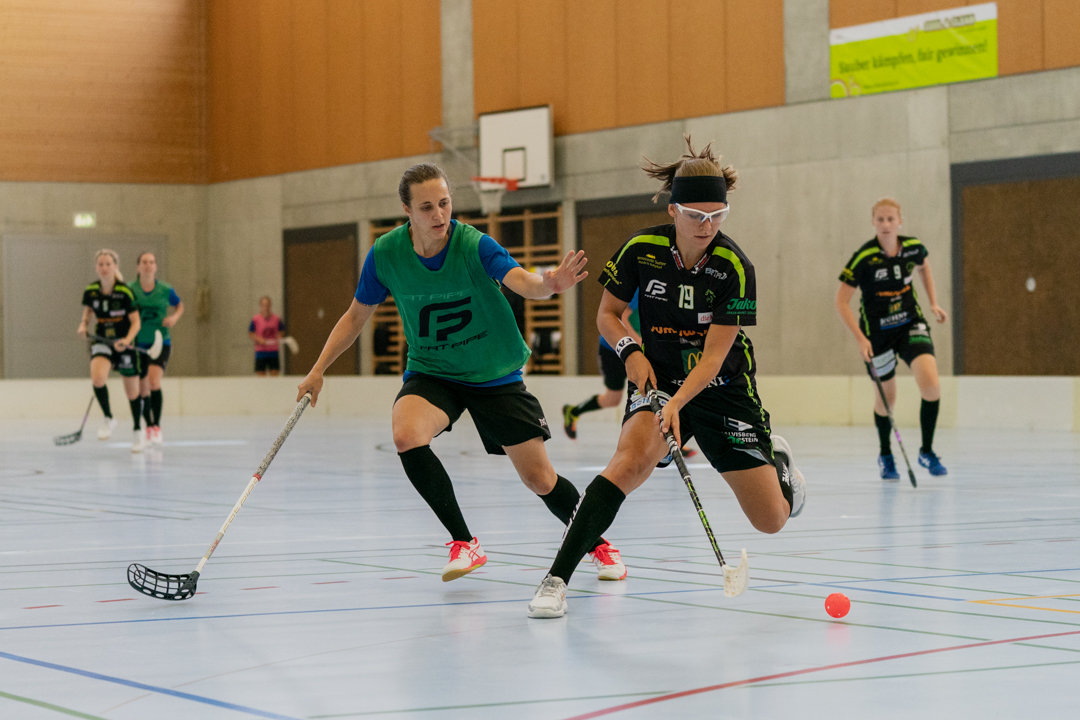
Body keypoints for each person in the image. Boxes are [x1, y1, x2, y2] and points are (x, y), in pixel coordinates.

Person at [297, 162, 627, 583]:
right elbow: (355, 316)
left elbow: (522, 281)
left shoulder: (474, 245)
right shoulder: (385, 255)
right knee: (406, 434)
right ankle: (464, 541)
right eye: (427, 207)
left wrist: (550, 284)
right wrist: (317, 369)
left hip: (495, 375)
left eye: (445, 203)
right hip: (433, 371)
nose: (439, 215)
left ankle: (596, 544)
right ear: (407, 211)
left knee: (540, 479)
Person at [528, 137, 806, 618]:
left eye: (717, 215)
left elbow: (716, 357)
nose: (708, 226)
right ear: (674, 210)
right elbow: (608, 314)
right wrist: (631, 353)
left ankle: (778, 461)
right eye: (696, 216)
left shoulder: (736, 268)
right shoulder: (641, 249)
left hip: (722, 390)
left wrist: (678, 404)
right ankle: (556, 579)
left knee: (771, 521)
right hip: (658, 380)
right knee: (628, 464)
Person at [835, 198, 948, 479]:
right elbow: (841, 302)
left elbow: (924, 267)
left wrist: (933, 303)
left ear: (900, 221)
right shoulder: (864, 258)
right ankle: (886, 454)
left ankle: (927, 451)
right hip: (877, 336)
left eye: (891, 219)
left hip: (910, 324)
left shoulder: (912, 247)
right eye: (880, 219)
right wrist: (861, 339)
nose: (886, 224)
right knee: (887, 398)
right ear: (873, 222)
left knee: (931, 386)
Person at [562, 288, 698, 463]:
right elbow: (622, 318)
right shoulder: (641, 286)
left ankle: (673, 439)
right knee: (613, 398)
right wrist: (638, 345)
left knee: (660, 390)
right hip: (614, 347)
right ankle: (573, 411)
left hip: (638, 347)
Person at [77, 249, 145, 453]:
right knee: (98, 379)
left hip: (124, 343)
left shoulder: (124, 292)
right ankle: (108, 418)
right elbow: (88, 311)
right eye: (101, 264)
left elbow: (136, 322)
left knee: (132, 393)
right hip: (102, 340)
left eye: (108, 264)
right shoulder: (91, 290)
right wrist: (83, 325)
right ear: (96, 267)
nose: (104, 268)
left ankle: (137, 431)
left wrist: (126, 340)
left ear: (115, 267)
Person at [132, 252, 184, 445]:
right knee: (143, 387)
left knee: (154, 381)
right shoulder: (131, 289)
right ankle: (149, 424)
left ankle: (157, 426)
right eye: (144, 262)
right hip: (138, 344)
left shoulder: (165, 289)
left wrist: (173, 318)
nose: (148, 265)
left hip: (160, 342)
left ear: (155, 267)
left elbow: (179, 306)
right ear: (138, 267)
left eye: (152, 262)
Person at [250, 296, 285, 376]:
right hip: (261, 352)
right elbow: (251, 333)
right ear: (261, 306)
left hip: (273, 351)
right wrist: (258, 339)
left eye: (268, 305)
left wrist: (279, 335)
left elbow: (281, 331)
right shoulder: (256, 319)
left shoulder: (276, 319)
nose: (266, 307)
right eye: (264, 305)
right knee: (261, 376)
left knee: (274, 374)